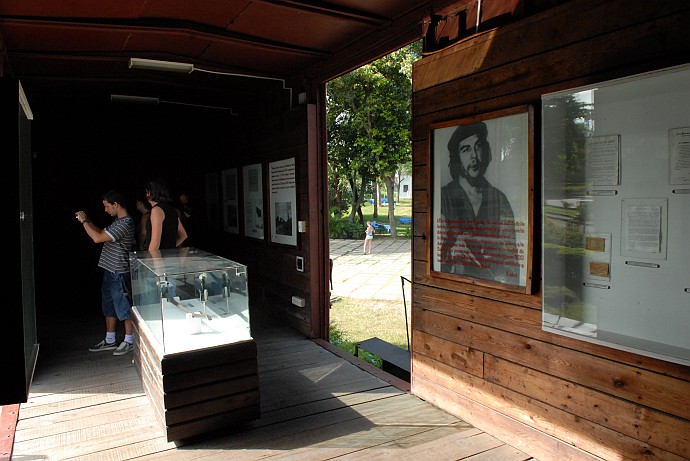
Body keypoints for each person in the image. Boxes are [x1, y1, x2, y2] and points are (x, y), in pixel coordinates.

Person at [439, 121, 518, 285]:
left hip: (492, 285)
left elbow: (510, 256)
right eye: (465, 149)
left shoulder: (499, 199)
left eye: (478, 146)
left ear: (486, 151)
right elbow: (437, 249)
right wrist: (452, 252)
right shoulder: (444, 197)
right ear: (458, 158)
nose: (474, 155)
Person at [75, 190, 136, 356]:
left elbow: (97, 238)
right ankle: (110, 340)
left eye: (107, 206)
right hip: (110, 270)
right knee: (109, 306)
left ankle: (129, 340)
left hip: (119, 270)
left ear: (116, 205)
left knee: (123, 306)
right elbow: (102, 233)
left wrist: (83, 222)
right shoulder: (118, 221)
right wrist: (88, 221)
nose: (105, 210)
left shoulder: (126, 223)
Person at [145, 178, 187, 250]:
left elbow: (155, 243)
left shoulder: (157, 210)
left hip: (159, 258)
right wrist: (169, 248)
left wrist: (151, 259)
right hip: (170, 257)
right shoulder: (172, 210)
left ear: (151, 193)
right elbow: (183, 235)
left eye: (147, 192)